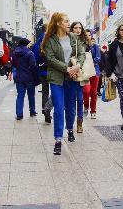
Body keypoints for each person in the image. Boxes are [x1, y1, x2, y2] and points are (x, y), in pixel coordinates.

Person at [41, 12, 85, 155]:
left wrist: (77, 66)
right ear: (58, 23)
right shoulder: (50, 40)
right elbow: (50, 59)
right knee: (59, 109)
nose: (68, 23)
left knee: (71, 107)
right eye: (66, 21)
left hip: (72, 78)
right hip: (57, 78)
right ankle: (58, 140)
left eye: (68, 21)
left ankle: (70, 129)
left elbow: (82, 53)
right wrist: (66, 68)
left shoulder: (73, 37)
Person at [13, 38, 37, 120]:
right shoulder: (30, 53)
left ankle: (19, 114)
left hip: (19, 77)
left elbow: (14, 64)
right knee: (31, 95)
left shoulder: (15, 53)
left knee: (20, 95)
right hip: (29, 77)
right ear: (26, 44)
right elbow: (33, 66)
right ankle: (32, 111)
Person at [70, 21, 88, 133]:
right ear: (72, 29)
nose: (78, 30)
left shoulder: (85, 42)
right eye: (75, 28)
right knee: (71, 100)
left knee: (80, 99)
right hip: (71, 72)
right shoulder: (68, 41)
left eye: (80, 28)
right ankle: (71, 122)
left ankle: (80, 122)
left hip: (82, 73)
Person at [33, 24, 52, 123]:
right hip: (53, 70)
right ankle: (48, 109)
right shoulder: (51, 39)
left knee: (45, 92)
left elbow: (35, 58)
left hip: (42, 71)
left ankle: (45, 112)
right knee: (54, 92)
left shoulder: (37, 42)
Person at [82, 32, 101, 121]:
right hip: (84, 71)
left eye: (89, 35)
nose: (87, 37)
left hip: (94, 71)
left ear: (91, 36)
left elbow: (98, 58)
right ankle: (86, 105)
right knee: (86, 91)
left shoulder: (95, 46)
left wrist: (90, 61)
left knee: (93, 92)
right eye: (86, 35)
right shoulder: (81, 46)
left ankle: (93, 111)